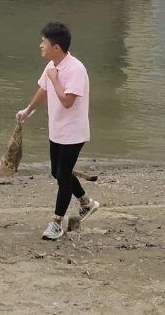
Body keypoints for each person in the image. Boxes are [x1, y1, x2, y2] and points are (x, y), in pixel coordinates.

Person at [15, 22, 99, 240]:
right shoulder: (52, 66)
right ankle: (86, 203)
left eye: (43, 42)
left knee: (62, 176)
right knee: (57, 172)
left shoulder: (76, 69)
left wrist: (55, 79)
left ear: (56, 47)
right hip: (57, 130)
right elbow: (43, 89)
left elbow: (68, 102)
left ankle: (56, 223)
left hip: (74, 132)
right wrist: (28, 110)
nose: (40, 45)